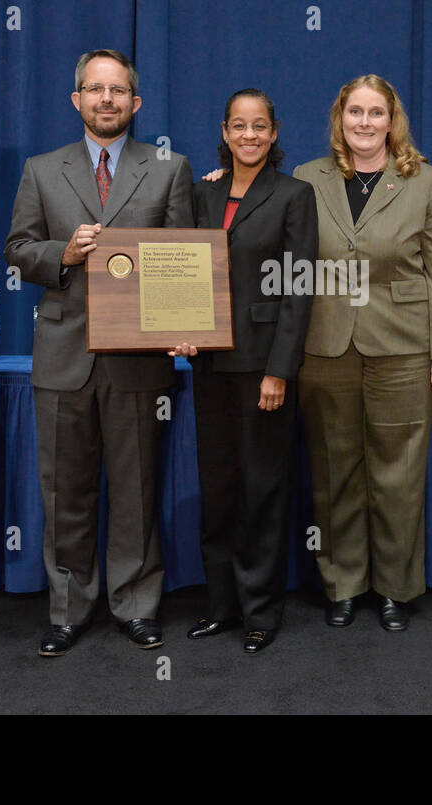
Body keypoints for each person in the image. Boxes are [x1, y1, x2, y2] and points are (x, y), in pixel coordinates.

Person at [5, 49, 192, 656]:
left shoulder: (169, 169)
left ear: (134, 104)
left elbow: (185, 261)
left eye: (118, 91)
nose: (106, 100)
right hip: (63, 354)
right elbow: (18, 248)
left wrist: (185, 324)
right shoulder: (41, 169)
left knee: (136, 490)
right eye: (95, 90)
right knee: (65, 491)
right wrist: (62, 252)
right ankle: (67, 608)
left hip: (138, 359)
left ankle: (136, 604)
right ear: (76, 100)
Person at [293, 74, 432, 632]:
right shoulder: (306, 178)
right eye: (354, 112)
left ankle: (395, 587)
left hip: (404, 347)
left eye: (376, 113)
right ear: (339, 118)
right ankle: (342, 584)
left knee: (398, 475)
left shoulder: (426, 180)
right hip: (325, 347)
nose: (364, 123)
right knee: (335, 469)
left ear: (393, 122)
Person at [170, 89, 317, 654]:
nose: (249, 135)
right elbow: (179, 268)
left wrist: (280, 371)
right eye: (239, 126)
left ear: (273, 133)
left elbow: (299, 291)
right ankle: (221, 605)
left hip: (264, 368)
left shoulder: (294, 195)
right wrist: (175, 329)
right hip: (209, 365)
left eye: (260, 126)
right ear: (225, 132)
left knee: (263, 490)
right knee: (220, 490)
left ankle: (262, 610)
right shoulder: (201, 192)